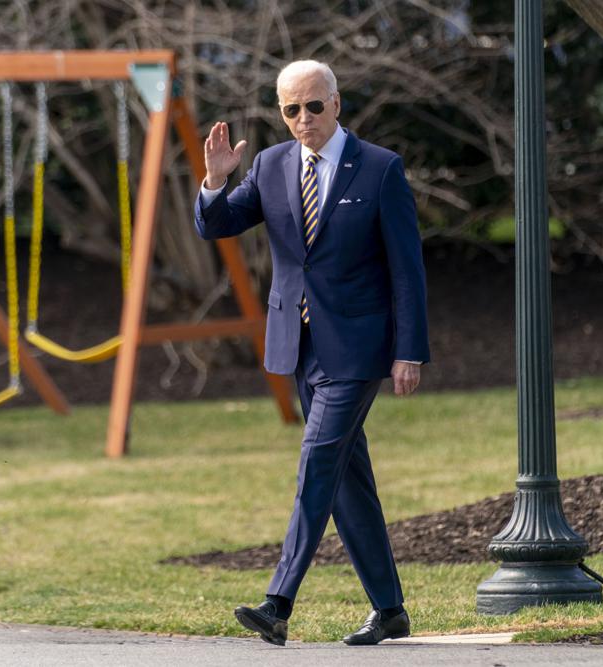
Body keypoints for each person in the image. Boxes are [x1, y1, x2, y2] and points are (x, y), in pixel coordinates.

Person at [194, 59, 430, 647]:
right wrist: (215, 181)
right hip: (299, 346)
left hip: (358, 348)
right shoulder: (272, 165)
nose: (304, 119)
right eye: (291, 109)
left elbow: (407, 270)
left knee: (318, 463)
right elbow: (219, 225)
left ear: (336, 103)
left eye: (314, 106)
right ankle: (390, 610)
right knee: (347, 479)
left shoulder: (379, 168)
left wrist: (409, 351)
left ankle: (278, 603)